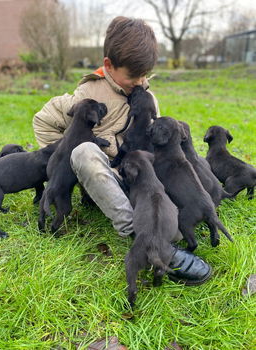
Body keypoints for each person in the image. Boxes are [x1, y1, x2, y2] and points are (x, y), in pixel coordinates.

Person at [33, 16, 212, 285]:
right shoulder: (88, 93)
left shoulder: (148, 96)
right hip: (106, 177)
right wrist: (59, 160)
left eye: (145, 75)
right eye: (132, 75)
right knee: (83, 152)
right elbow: (43, 120)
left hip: (140, 179)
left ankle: (164, 218)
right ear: (108, 65)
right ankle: (144, 237)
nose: (139, 81)